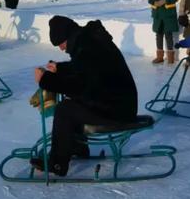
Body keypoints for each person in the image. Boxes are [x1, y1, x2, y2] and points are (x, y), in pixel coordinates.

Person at [30, 15, 138, 177]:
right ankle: (76, 147)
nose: (61, 48)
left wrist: (45, 79)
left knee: (65, 110)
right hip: (117, 102)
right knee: (74, 103)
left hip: (117, 109)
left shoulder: (88, 47)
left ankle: (57, 163)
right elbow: (84, 69)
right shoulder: (89, 41)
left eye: (60, 43)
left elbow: (80, 85)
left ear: (67, 37)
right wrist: (60, 68)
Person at [147, 0, 180, 65]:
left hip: (168, 15)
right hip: (158, 15)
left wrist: (166, 0)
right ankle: (160, 57)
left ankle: (171, 58)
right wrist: (154, 2)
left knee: (168, 35)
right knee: (159, 34)